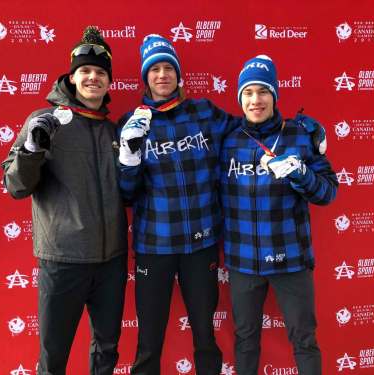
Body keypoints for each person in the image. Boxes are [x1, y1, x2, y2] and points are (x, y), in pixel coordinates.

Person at [1, 27, 128, 375]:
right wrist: (31, 151)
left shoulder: (113, 130)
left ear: (108, 82)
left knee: (107, 350)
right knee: (53, 356)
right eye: (85, 71)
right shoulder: (44, 121)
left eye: (100, 73)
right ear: (72, 77)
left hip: (111, 261)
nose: (93, 78)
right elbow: (15, 186)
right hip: (64, 260)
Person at [118, 34, 233, 375]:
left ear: (179, 74)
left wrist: (292, 134)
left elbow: (248, 136)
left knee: (204, 335)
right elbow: (126, 193)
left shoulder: (203, 112)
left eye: (169, 67)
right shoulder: (132, 122)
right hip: (155, 245)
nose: (162, 75)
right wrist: (129, 155)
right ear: (146, 77)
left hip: (201, 244)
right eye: (154, 69)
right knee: (149, 341)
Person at [219, 55, 338, 375]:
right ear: (240, 98)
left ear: (274, 95)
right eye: (247, 92)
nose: (255, 100)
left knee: (304, 340)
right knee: (245, 340)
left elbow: (328, 193)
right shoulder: (228, 138)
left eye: (262, 91)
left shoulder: (299, 135)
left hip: (291, 259)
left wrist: (301, 172)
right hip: (244, 261)